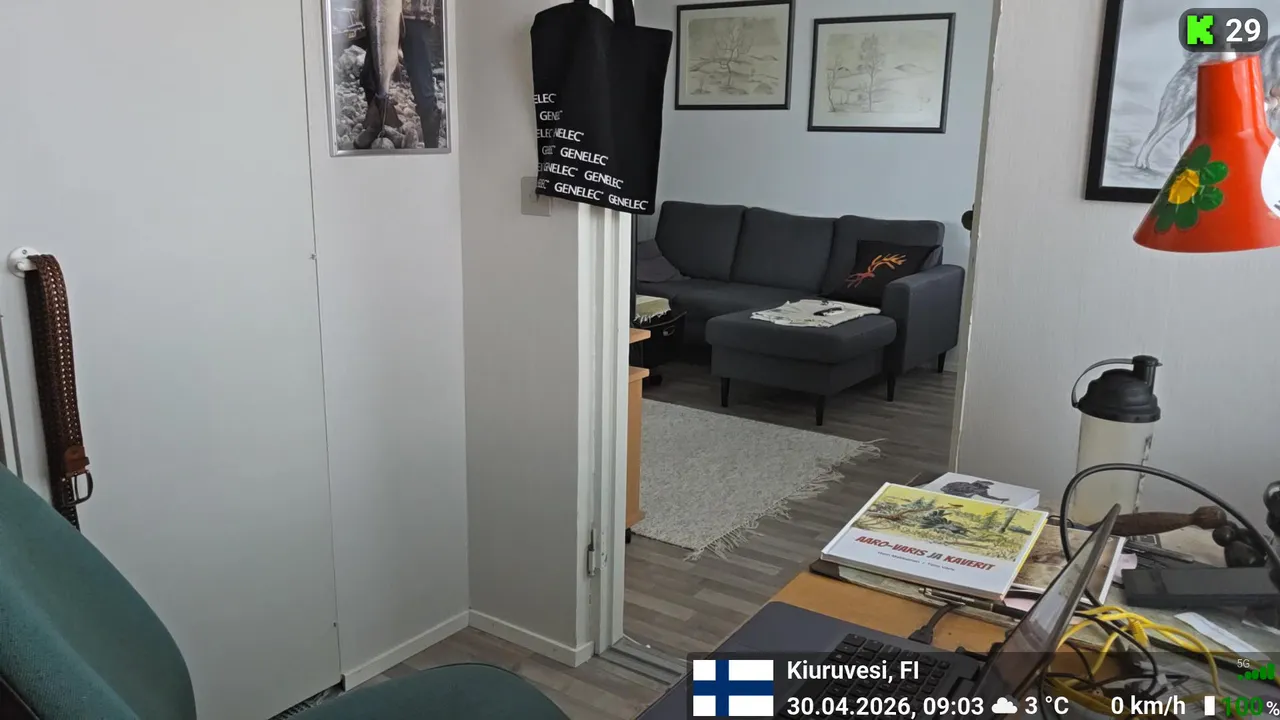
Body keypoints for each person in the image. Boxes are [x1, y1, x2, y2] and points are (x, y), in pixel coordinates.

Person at [354, 0, 443, 149]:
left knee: (422, 86)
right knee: (369, 77)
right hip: (381, 14)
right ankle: (377, 123)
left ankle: (431, 146)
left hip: (416, 12)